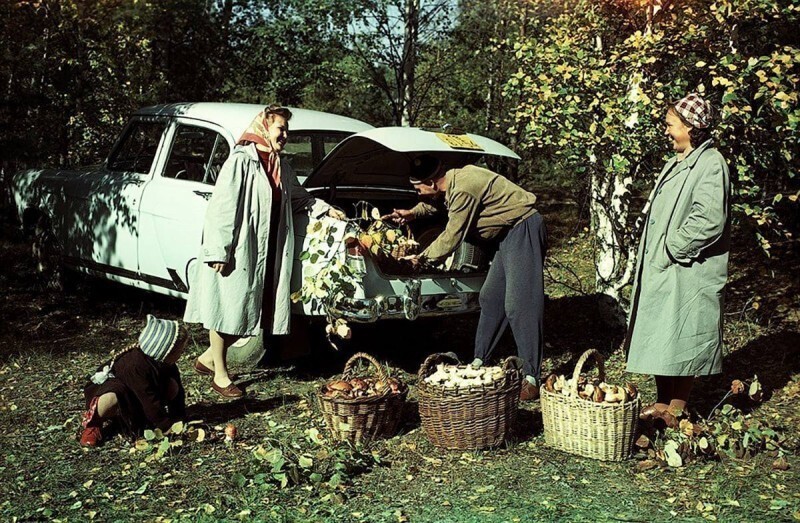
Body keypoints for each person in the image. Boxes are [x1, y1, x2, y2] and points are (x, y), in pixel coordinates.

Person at [183, 105, 344, 398]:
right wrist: (219, 250)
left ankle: (208, 358)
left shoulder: (281, 165)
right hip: (241, 247)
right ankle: (220, 375)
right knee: (229, 308)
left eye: (286, 130)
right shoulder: (241, 161)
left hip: (269, 249)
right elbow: (222, 207)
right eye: (279, 128)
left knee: (251, 310)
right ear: (263, 127)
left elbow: (299, 198)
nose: (284, 134)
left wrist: (325, 208)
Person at [384, 156, 547, 400]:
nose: (418, 193)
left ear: (430, 182)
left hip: (522, 228)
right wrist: (412, 214)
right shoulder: (452, 182)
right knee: (491, 298)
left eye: (418, 188)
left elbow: (452, 235)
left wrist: (422, 259)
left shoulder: (464, 188)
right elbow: (437, 204)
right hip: (507, 235)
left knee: (520, 305)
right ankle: (480, 360)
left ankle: (532, 376)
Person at [625, 93, 731, 428]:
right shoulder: (679, 160)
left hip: (687, 267)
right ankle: (661, 402)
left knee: (684, 335)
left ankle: (678, 405)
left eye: (671, 125)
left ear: (690, 127)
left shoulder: (711, 163)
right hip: (664, 266)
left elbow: (709, 219)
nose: (666, 130)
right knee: (662, 332)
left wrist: (673, 247)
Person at [80, 315, 188, 447]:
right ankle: (94, 423)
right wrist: (165, 426)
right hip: (116, 389)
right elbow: (148, 398)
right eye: (179, 350)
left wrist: (179, 417)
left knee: (172, 385)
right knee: (111, 398)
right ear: (166, 349)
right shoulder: (135, 365)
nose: (182, 353)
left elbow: (178, 393)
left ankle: (142, 419)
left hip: (136, 394)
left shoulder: (166, 363)